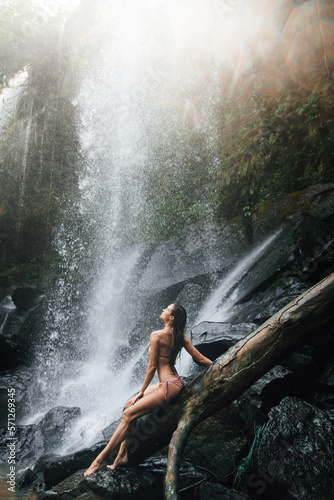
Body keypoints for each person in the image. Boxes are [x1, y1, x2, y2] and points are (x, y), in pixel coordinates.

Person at [84, 303, 212, 476]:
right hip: (174, 383)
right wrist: (219, 365)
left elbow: (151, 367)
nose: (162, 310)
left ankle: (100, 460)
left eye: (166, 310)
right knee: (130, 408)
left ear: (171, 318)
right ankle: (122, 455)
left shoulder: (157, 335)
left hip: (167, 387)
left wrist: (141, 392)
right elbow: (202, 359)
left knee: (128, 415)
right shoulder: (182, 337)